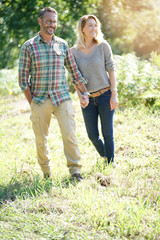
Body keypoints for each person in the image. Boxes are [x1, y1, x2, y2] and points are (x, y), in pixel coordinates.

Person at [18, 7, 89, 182]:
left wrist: (84, 92)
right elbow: (23, 79)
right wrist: (32, 102)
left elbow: (74, 71)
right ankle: (47, 173)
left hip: (62, 97)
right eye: (49, 21)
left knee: (70, 134)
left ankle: (75, 172)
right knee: (41, 139)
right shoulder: (29, 46)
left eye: (54, 21)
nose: (52, 24)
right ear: (40, 21)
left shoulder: (63, 45)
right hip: (40, 99)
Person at [71, 15, 119, 166]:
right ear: (82, 29)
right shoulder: (73, 52)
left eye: (95, 25)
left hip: (105, 95)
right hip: (88, 99)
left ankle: (110, 164)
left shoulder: (103, 46)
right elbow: (75, 79)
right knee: (92, 135)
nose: (94, 28)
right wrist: (80, 97)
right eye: (90, 25)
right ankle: (105, 155)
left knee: (108, 133)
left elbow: (111, 70)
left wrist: (114, 94)